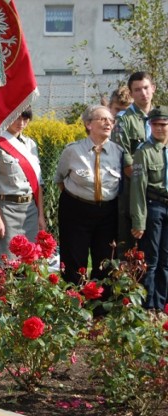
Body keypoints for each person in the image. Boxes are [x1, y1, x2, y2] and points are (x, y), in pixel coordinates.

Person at [54, 105, 123, 292]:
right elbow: (60, 180)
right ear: (88, 124)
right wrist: (82, 197)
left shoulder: (119, 152)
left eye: (111, 120)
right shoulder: (73, 151)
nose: (108, 123)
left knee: (105, 259)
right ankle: (73, 303)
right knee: (74, 259)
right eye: (102, 119)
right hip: (76, 209)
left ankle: (100, 307)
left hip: (107, 212)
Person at [0, 108, 45, 269]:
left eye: (25, 119)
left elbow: (38, 184)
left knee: (29, 264)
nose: (21, 123)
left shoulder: (30, 145)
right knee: (4, 265)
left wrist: (41, 216)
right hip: (6, 210)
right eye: (17, 119)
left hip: (30, 211)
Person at [113, 72, 156, 256]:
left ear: (153, 88)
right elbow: (124, 158)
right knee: (130, 244)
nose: (143, 93)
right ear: (131, 93)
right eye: (137, 90)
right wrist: (144, 184)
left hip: (159, 191)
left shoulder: (161, 118)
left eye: (146, 88)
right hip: (132, 189)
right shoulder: (124, 120)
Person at [130, 106, 168, 312]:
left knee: (166, 260)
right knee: (151, 261)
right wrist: (139, 220)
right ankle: (149, 306)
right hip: (154, 207)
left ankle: (162, 305)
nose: (160, 129)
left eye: (163, 125)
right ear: (149, 126)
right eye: (155, 125)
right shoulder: (143, 152)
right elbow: (137, 189)